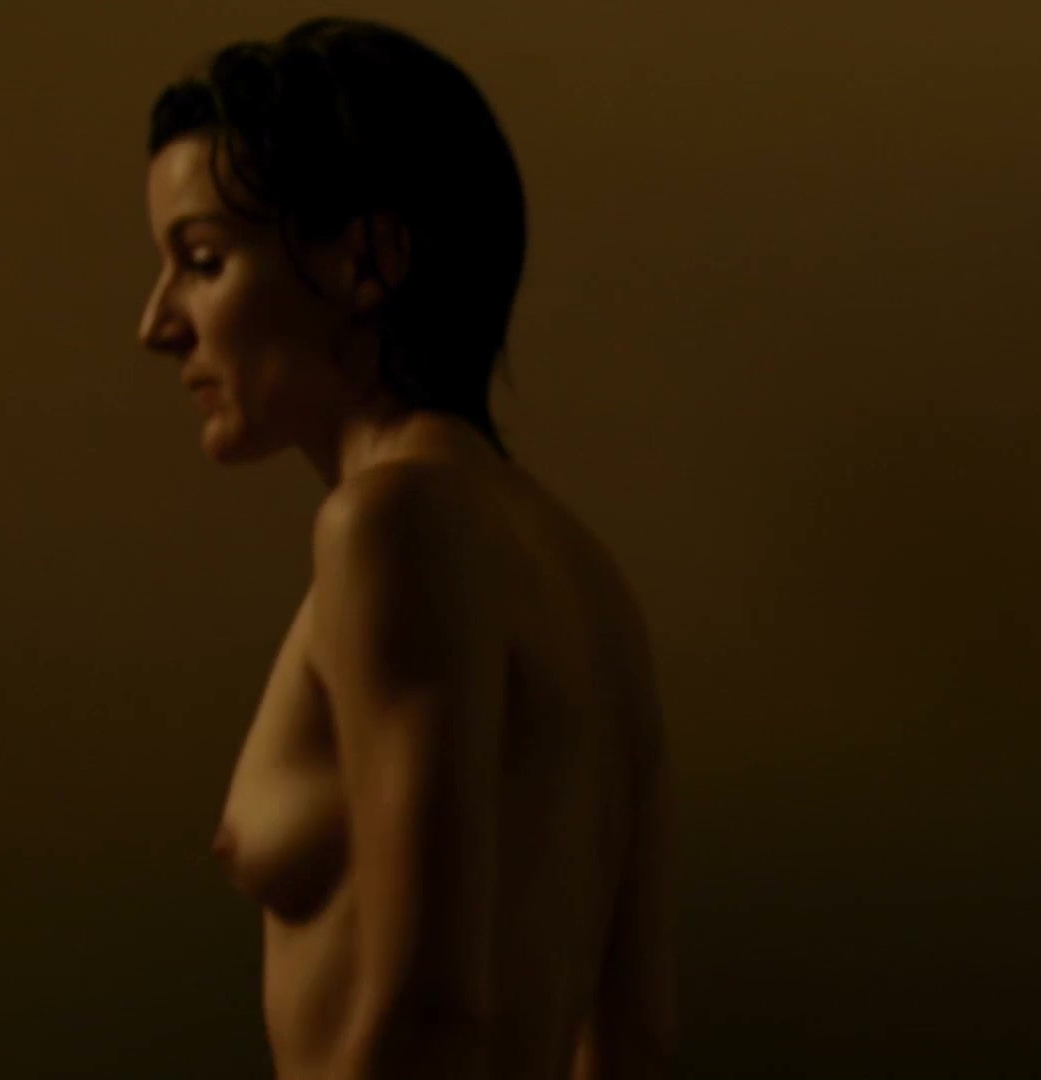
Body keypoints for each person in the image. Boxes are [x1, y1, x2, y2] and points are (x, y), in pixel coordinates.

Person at [135, 18, 674, 1079]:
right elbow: (632, 1042)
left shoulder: (389, 528)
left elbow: (431, 1008)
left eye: (202, 262)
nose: (158, 324)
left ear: (369, 260)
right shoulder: (589, 580)